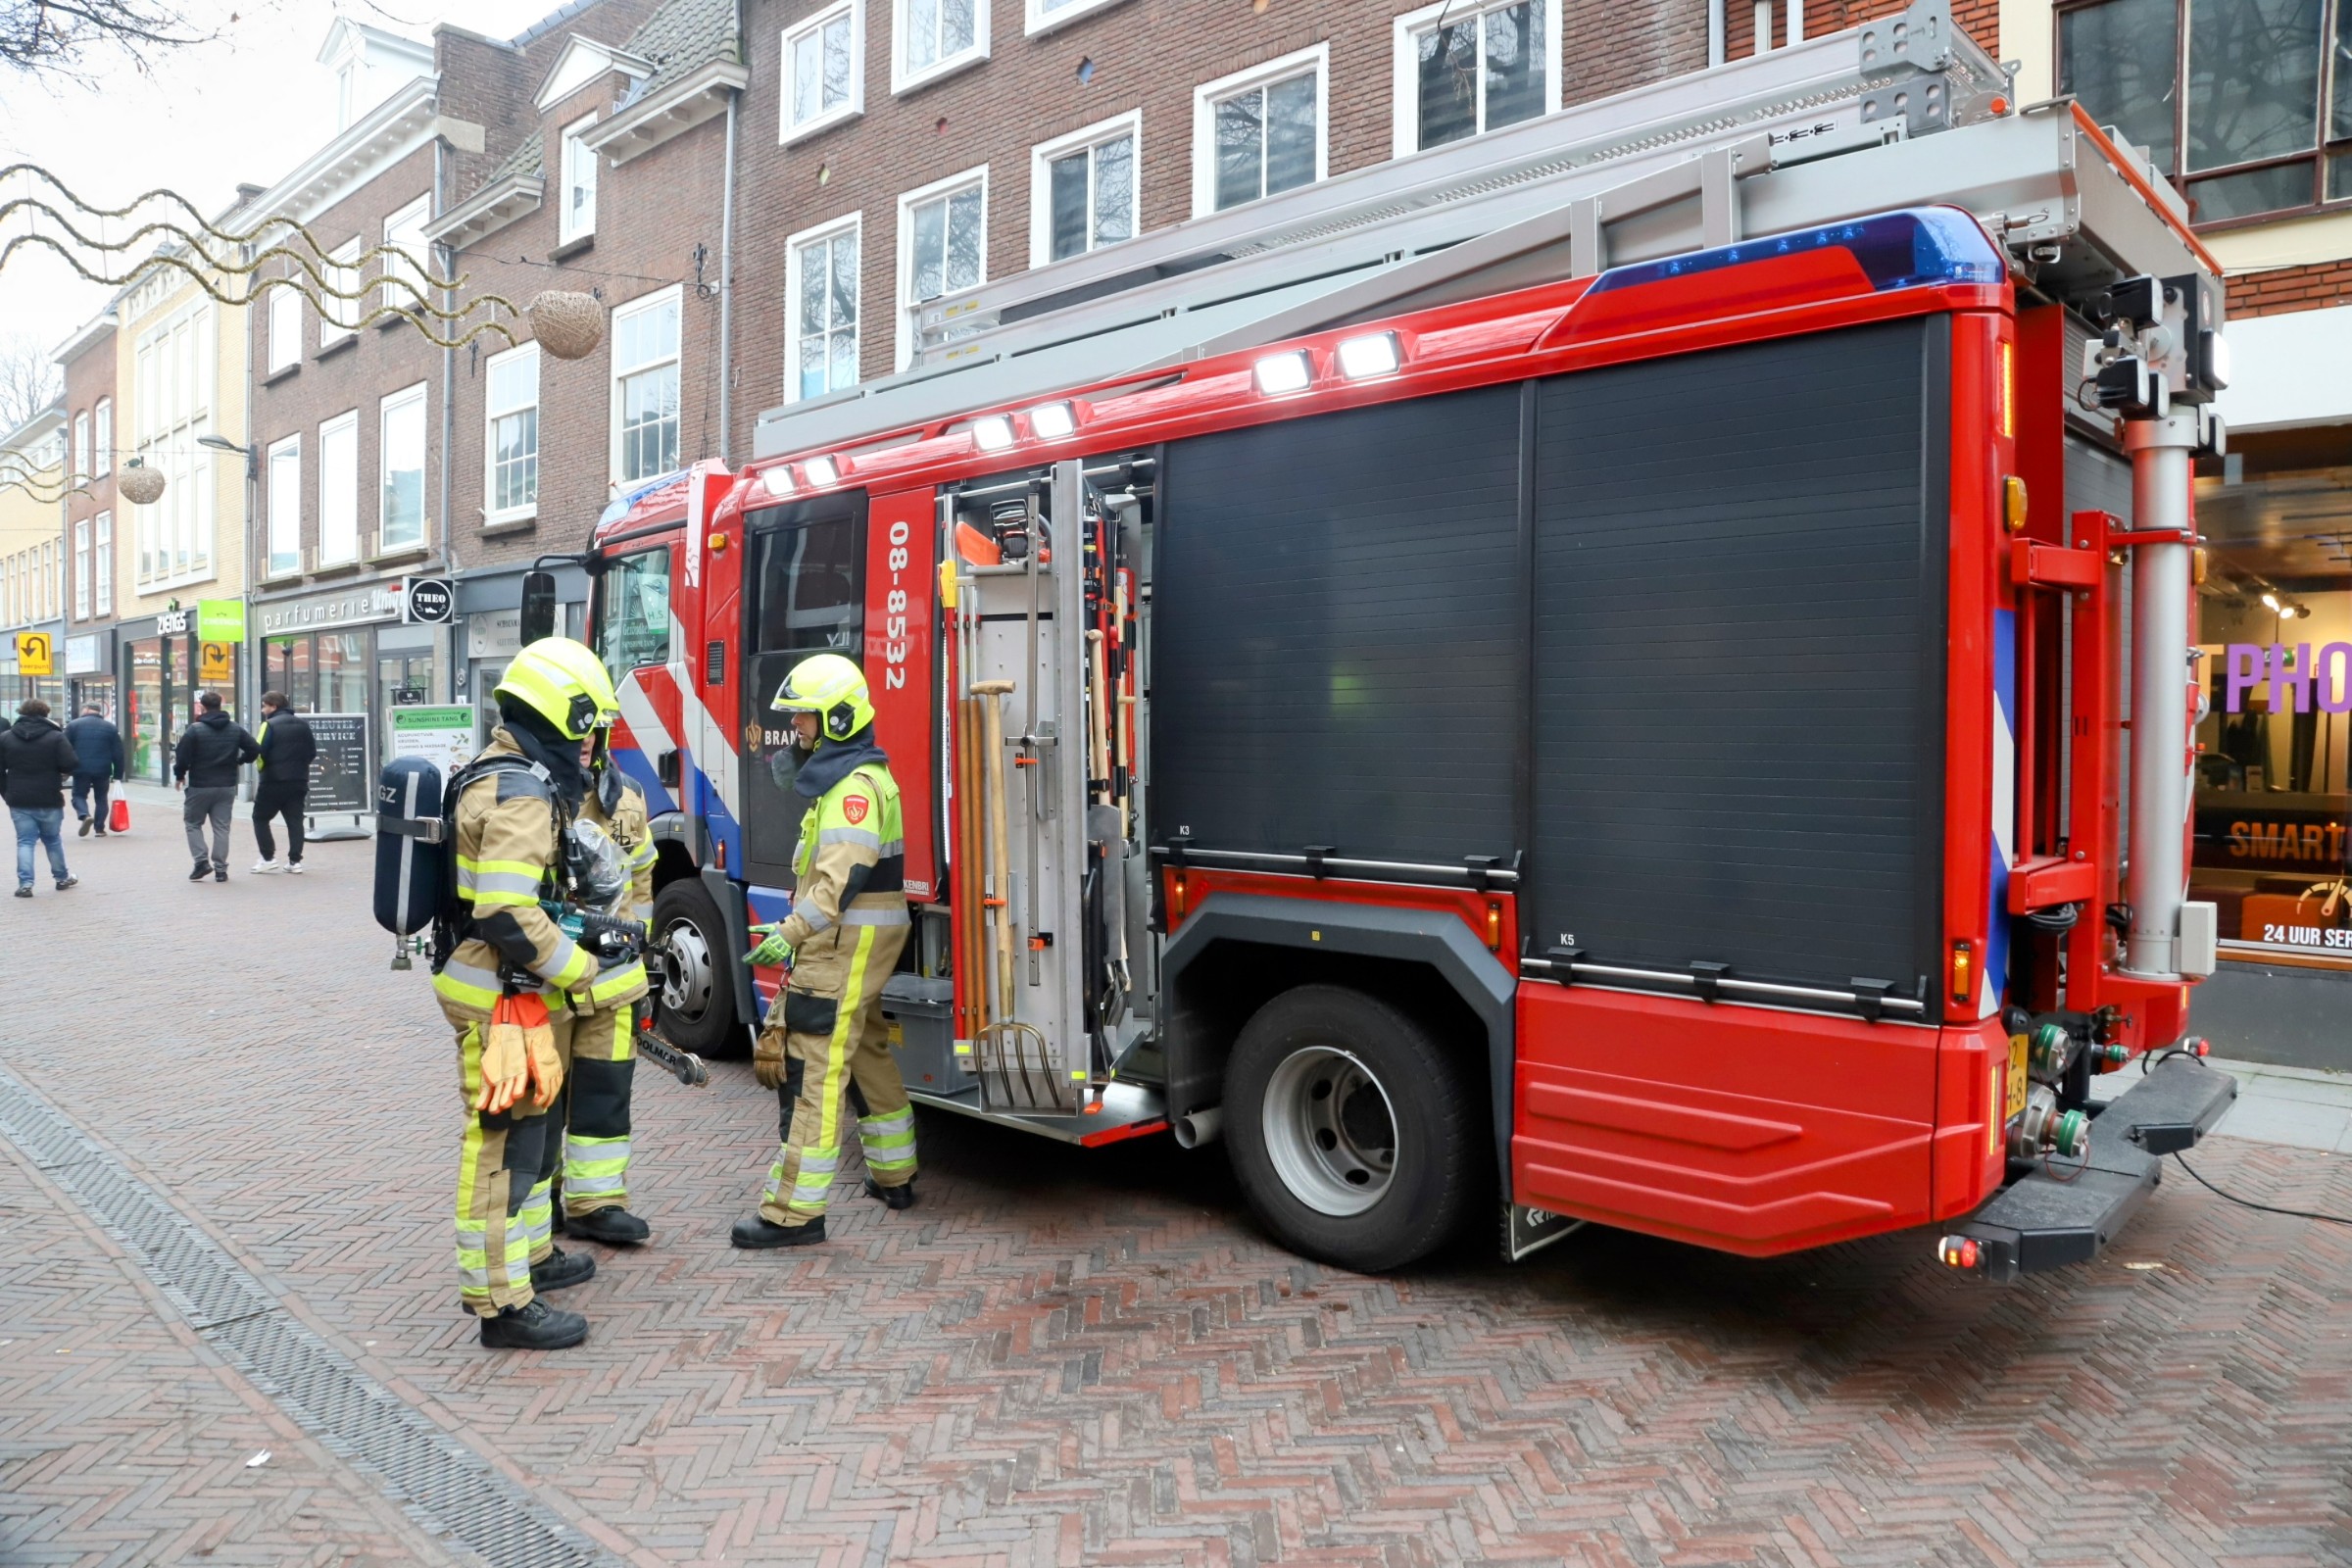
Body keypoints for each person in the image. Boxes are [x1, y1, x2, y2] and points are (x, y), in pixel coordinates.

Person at [429, 637, 641, 1350]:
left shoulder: (509, 773)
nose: (589, 741)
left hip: (510, 993)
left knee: (534, 1140)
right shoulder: (521, 790)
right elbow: (506, 910)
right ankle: (501, 1305)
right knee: (501, 1151)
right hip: (500, 998)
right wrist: (579, 969)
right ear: (558, 712)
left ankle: (533, 1260)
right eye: (585, 724)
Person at [731, 653, 918, 1250]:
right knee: (863, 1049)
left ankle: (794, 1213)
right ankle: (896, 1176)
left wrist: (791, 931)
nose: (797, 730)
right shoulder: (859, 777)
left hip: (842, 941)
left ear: (837, 720)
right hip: (863, 939)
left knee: (812, 1064)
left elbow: (835, 885)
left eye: (806, 719)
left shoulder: (852, 789)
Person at [551, 725, 661, 1247]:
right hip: (547, 975)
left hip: (613, 979)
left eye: (592, 728)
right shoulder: (525, 790)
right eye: (574, 729)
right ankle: (540, 1200)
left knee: (606, 1092)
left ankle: (596, 1202)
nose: (586, 740)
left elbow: (641, 879)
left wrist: (638, 947)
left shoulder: (628, 796)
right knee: (542, 1095)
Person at [172, 691, 258, 883]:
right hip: (226, 785)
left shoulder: (195, 730)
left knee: (193, 824)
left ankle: (201, 862)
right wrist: (239, 761)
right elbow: (254, 748)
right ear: (221, 705)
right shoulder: (235, 729)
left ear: (202, 707)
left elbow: (182, 757)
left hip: (200, 785)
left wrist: (180, 776)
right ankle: (221, 869)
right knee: (221, 827)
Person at [1, 699, 80, 898]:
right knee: (52, 839)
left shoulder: (6, 738)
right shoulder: (55, 737)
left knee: (25, 841)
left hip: (19, 796)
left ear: (21, 713)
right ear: (45, 713)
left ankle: (25, 884)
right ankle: (61, 878)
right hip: (49, 795)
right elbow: (70, 763)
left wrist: (6, 791)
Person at [249, 692, 316, 874]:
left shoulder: (268, 725)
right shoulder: (304, 725)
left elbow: (259, 750)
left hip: (273, 780)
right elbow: (312, 752)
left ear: (274, 706)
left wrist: (262, 769)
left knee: (260, 818)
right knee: (295, 820)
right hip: (299, 780)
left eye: (264, 706)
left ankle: (268, 858)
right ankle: (295, 862)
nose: (263, 710)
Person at [64, 704, 123, 837]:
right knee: (101, 798)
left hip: (80, 768)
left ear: (85, 709)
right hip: (103, 769)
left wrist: (65, 768)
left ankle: (85, 815)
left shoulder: (73, 725)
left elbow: (64, 748)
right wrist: (118, 774)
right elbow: (118, 753)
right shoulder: (110, 728)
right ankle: (99, 828)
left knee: (78, 795)